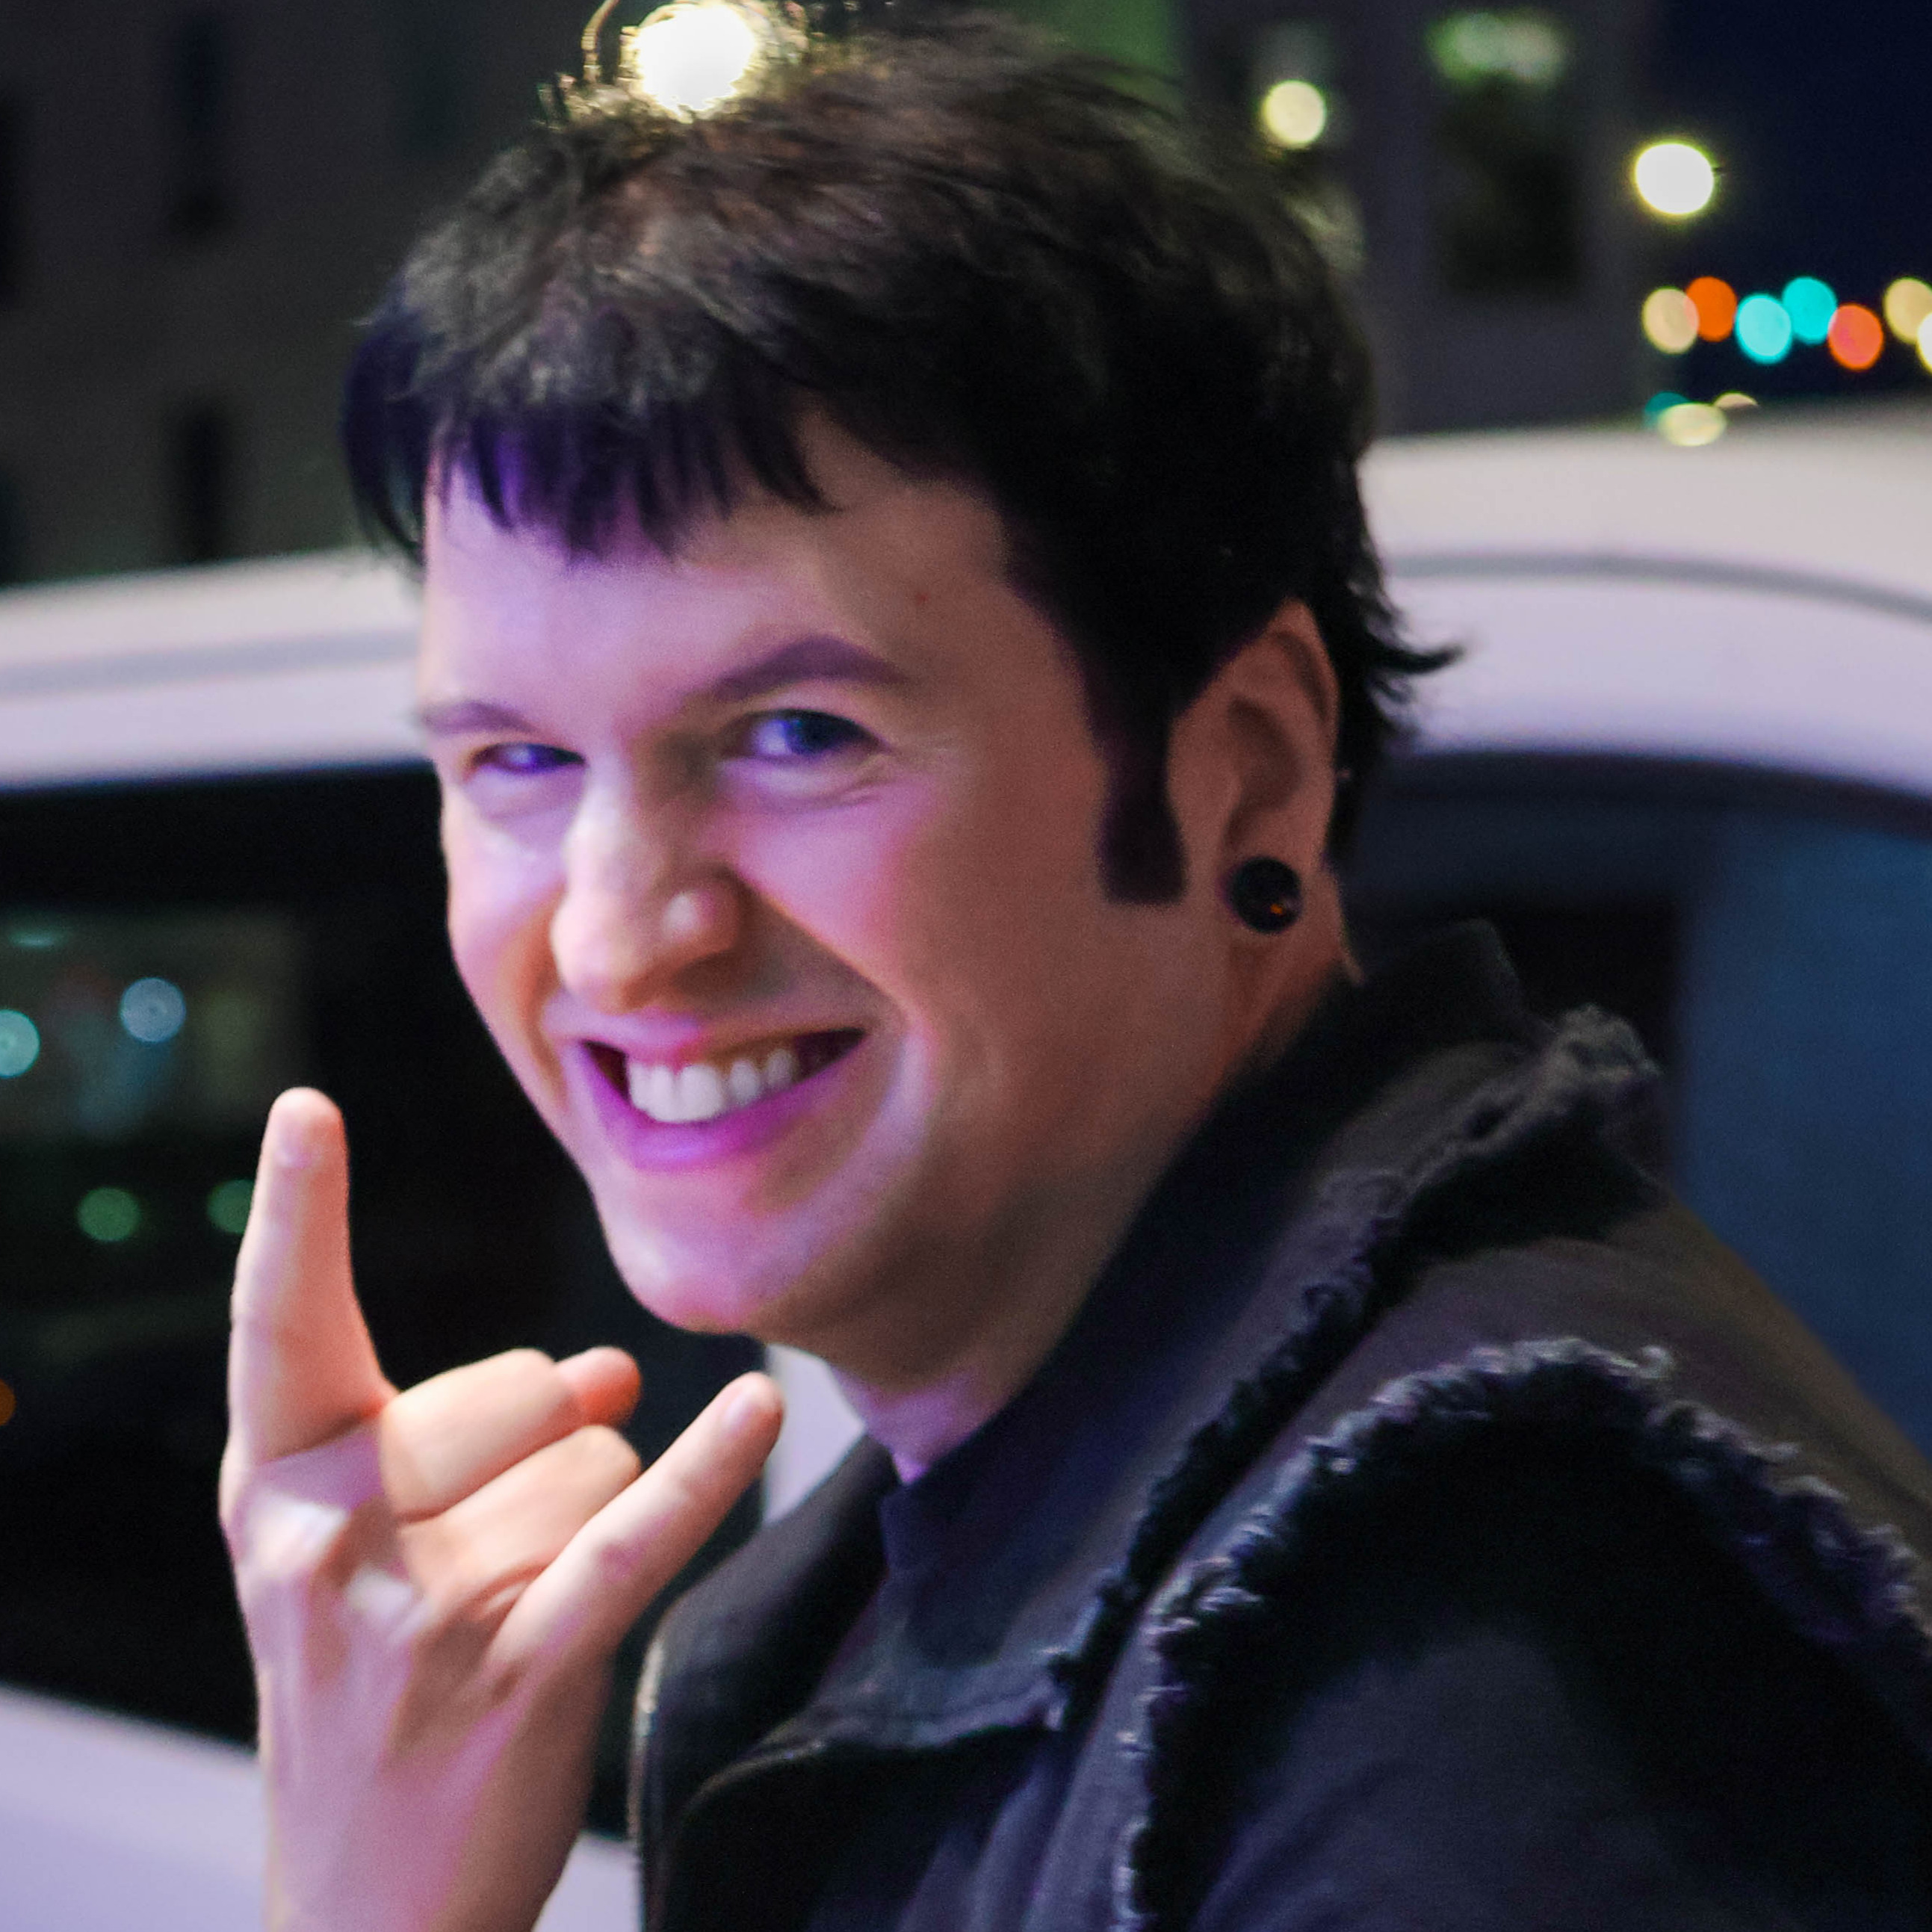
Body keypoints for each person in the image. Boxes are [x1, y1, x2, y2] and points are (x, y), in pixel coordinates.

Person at [220, 12, 1932, 1931]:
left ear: (1246, 765)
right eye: (518, 762)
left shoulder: (1470, 1668)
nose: (619, 934)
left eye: (797, 734)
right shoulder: (1034, 1511)